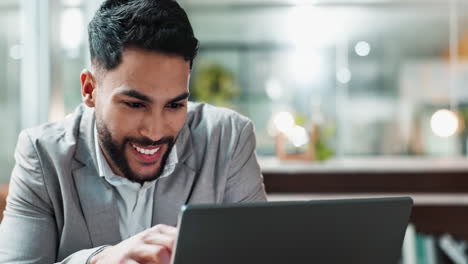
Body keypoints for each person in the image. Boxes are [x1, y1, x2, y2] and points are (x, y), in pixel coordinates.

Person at [0, 0, 267, 263]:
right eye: (135, 104)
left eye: (174, 105)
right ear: (90, 90)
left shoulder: (228, 138)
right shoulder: (42, 154)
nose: (154, 131)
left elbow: (263, 255)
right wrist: (99, 260)